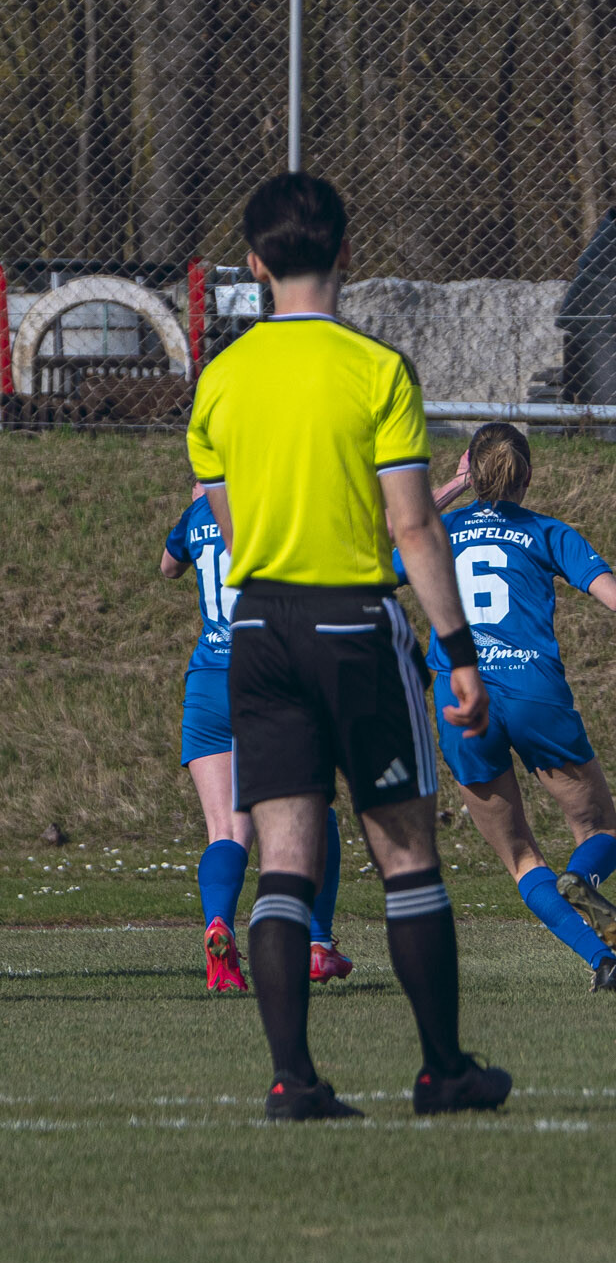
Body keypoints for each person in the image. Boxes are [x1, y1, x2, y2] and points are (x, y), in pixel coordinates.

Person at [187, 170, 509, 1121]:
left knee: (284, 860)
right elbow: (413, 524)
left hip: (258, 630)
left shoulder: (221, 379)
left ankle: (293, 1081)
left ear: (254, 264)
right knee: (406, 853)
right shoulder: (376, 370)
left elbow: (232, 529)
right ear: (346, 253)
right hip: (353, 626)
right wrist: (458, 651)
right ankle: (442, 1071)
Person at [397, 424, 616, 992]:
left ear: (471, 472)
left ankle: (601, 961)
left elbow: (381, 555)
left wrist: (455, 486)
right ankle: (581, 878)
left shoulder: (437, 533)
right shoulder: (546, 531)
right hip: (534, 693)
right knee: (598, 829)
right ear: (528, 476)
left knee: (521, 858)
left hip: (461, 699)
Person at [162, 482, 349, 992]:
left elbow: (168, 567)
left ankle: (218, 924)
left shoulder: (196, 514)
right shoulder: (276, 505)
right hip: (270, 677)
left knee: (225, 830)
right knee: (313, 808)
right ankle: (316, 943)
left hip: (208, 683)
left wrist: (198, 509)